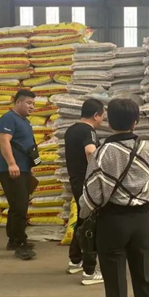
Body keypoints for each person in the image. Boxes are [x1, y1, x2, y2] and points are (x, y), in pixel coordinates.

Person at [79, 99, 149, 297]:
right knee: (143, 272)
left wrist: (83, 214)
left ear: (109, 121)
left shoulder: (103, 152)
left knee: (115, 282)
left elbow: (93, 192)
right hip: (143, 218)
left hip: (114, 221)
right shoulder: (146, 147)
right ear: (136, 121)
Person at [64, 99, 106, 286]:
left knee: (83, 220)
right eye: (102, 116)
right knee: (91, 224)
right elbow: (90, 152)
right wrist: (98, 174)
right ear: (96, 115)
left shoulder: (71, 130)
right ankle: (90, 271)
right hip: (86, 183)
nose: (102, 120)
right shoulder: (88, 131)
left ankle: (75, 260)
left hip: (76, 181)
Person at [0, 90, 38, 261]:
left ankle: (13, 240)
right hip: (11, 170)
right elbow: (4, 141)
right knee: (20, 207)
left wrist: (30, 167)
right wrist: (12, 164)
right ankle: (21, 244)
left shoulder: (25, 122)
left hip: (23, 169)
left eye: (33, 104)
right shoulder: (8, 118)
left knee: (17, 206)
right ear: (18, 102)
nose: (32, 107)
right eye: (29, 103)